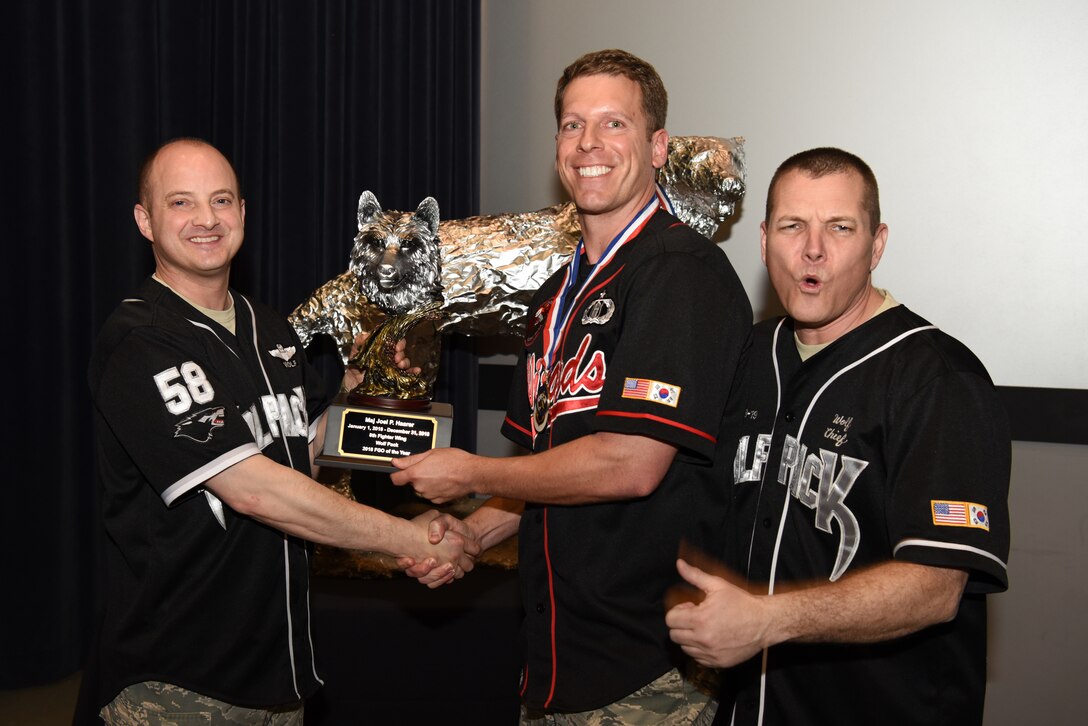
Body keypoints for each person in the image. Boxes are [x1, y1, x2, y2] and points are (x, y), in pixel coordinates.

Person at [390, 49, 752, 722]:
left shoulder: (682, 276)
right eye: (572, 125)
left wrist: (468, 472)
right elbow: (539, 476)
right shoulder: (559, 296)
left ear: (657, 145)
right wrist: (474, 533)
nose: (589, 144)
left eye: (615, 124)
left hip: (648, 669)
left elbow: (631, 463)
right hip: (559, 659)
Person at [86, 138, 479, 724]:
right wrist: (408, 540)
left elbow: (299, 461)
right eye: (180, 203)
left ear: (243, 212)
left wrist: (360, 391)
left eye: (221, 200)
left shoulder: (267, 328)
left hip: (279, 672)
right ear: (145, 221)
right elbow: (254, 490)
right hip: (181, 685)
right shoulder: (141, 341)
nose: (206, 220)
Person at [665, 147, 1011, 725]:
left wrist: (769, 620)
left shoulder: (939, 379)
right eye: (792, 225)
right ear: (763, 240)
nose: (812, 249)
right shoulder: (745, 357)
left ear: (877, 244)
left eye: (840, 227)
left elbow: (936, 586)